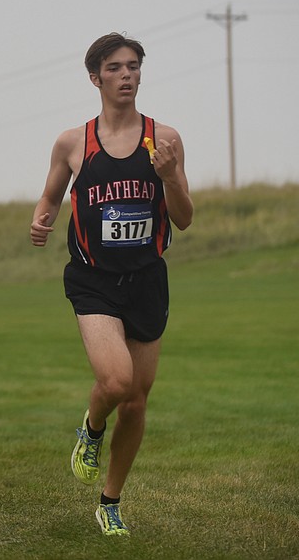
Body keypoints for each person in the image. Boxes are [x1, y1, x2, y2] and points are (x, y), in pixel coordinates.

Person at [30, 32, 194, 537]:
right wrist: (41, 221)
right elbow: (50, 199)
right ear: (95, 77)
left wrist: (169, 178)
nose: (127, 75)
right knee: (117, 381)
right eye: (116, 68)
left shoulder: (164, 139)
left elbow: (184, 219)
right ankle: (90, 428)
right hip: (93, 280)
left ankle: (111, 501)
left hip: (146, 279)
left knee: (138, 401)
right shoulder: (73, 142)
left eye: (134, 66)